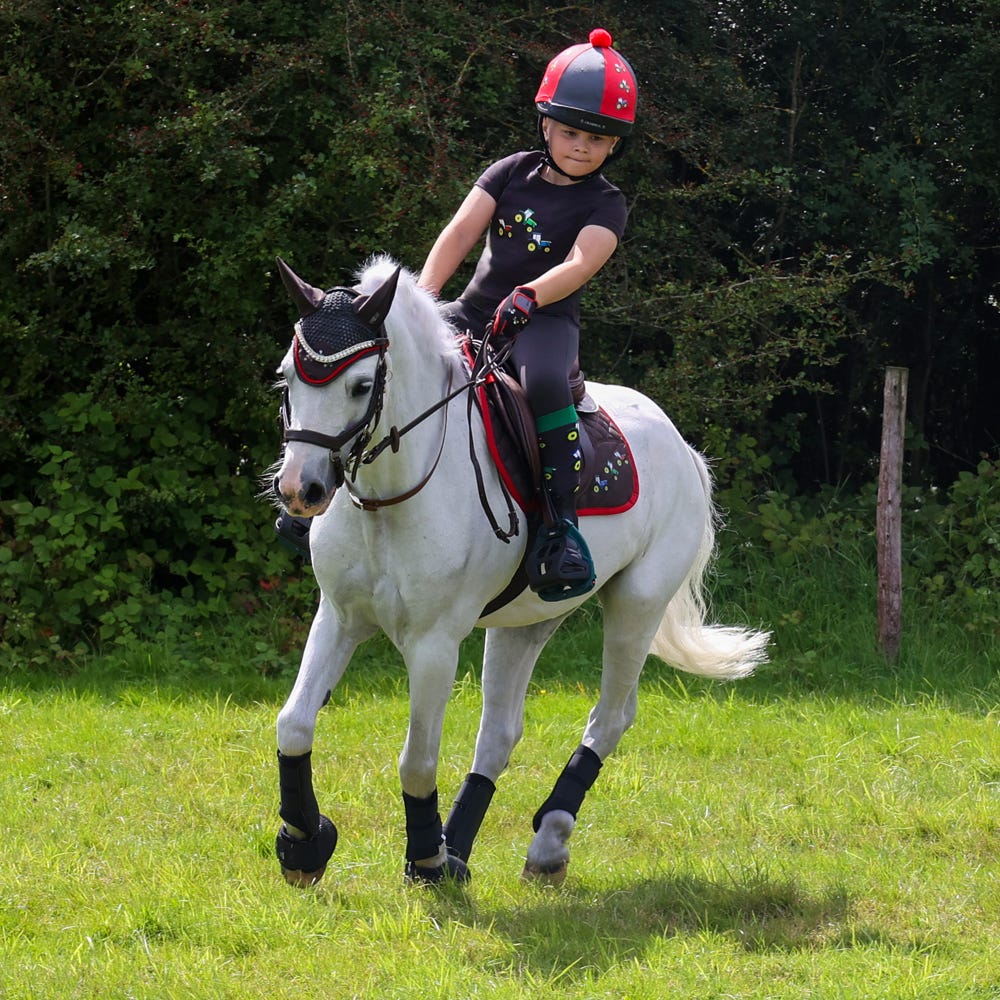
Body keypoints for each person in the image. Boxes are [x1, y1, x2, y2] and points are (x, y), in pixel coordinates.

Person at [418, 28, 638, 600]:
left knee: (543, 383)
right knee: (395, 356)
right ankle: (324, 491)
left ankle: (561, 528)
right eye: (571, 132)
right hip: (476, 309)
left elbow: (583, 261)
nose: (582, 146)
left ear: (613, 145)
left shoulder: (605, 202)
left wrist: (532, 295)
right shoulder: (511, 171)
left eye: (598, 138)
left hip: (544, 322)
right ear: (546, 126)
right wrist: (424, 293)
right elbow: (462, 231)